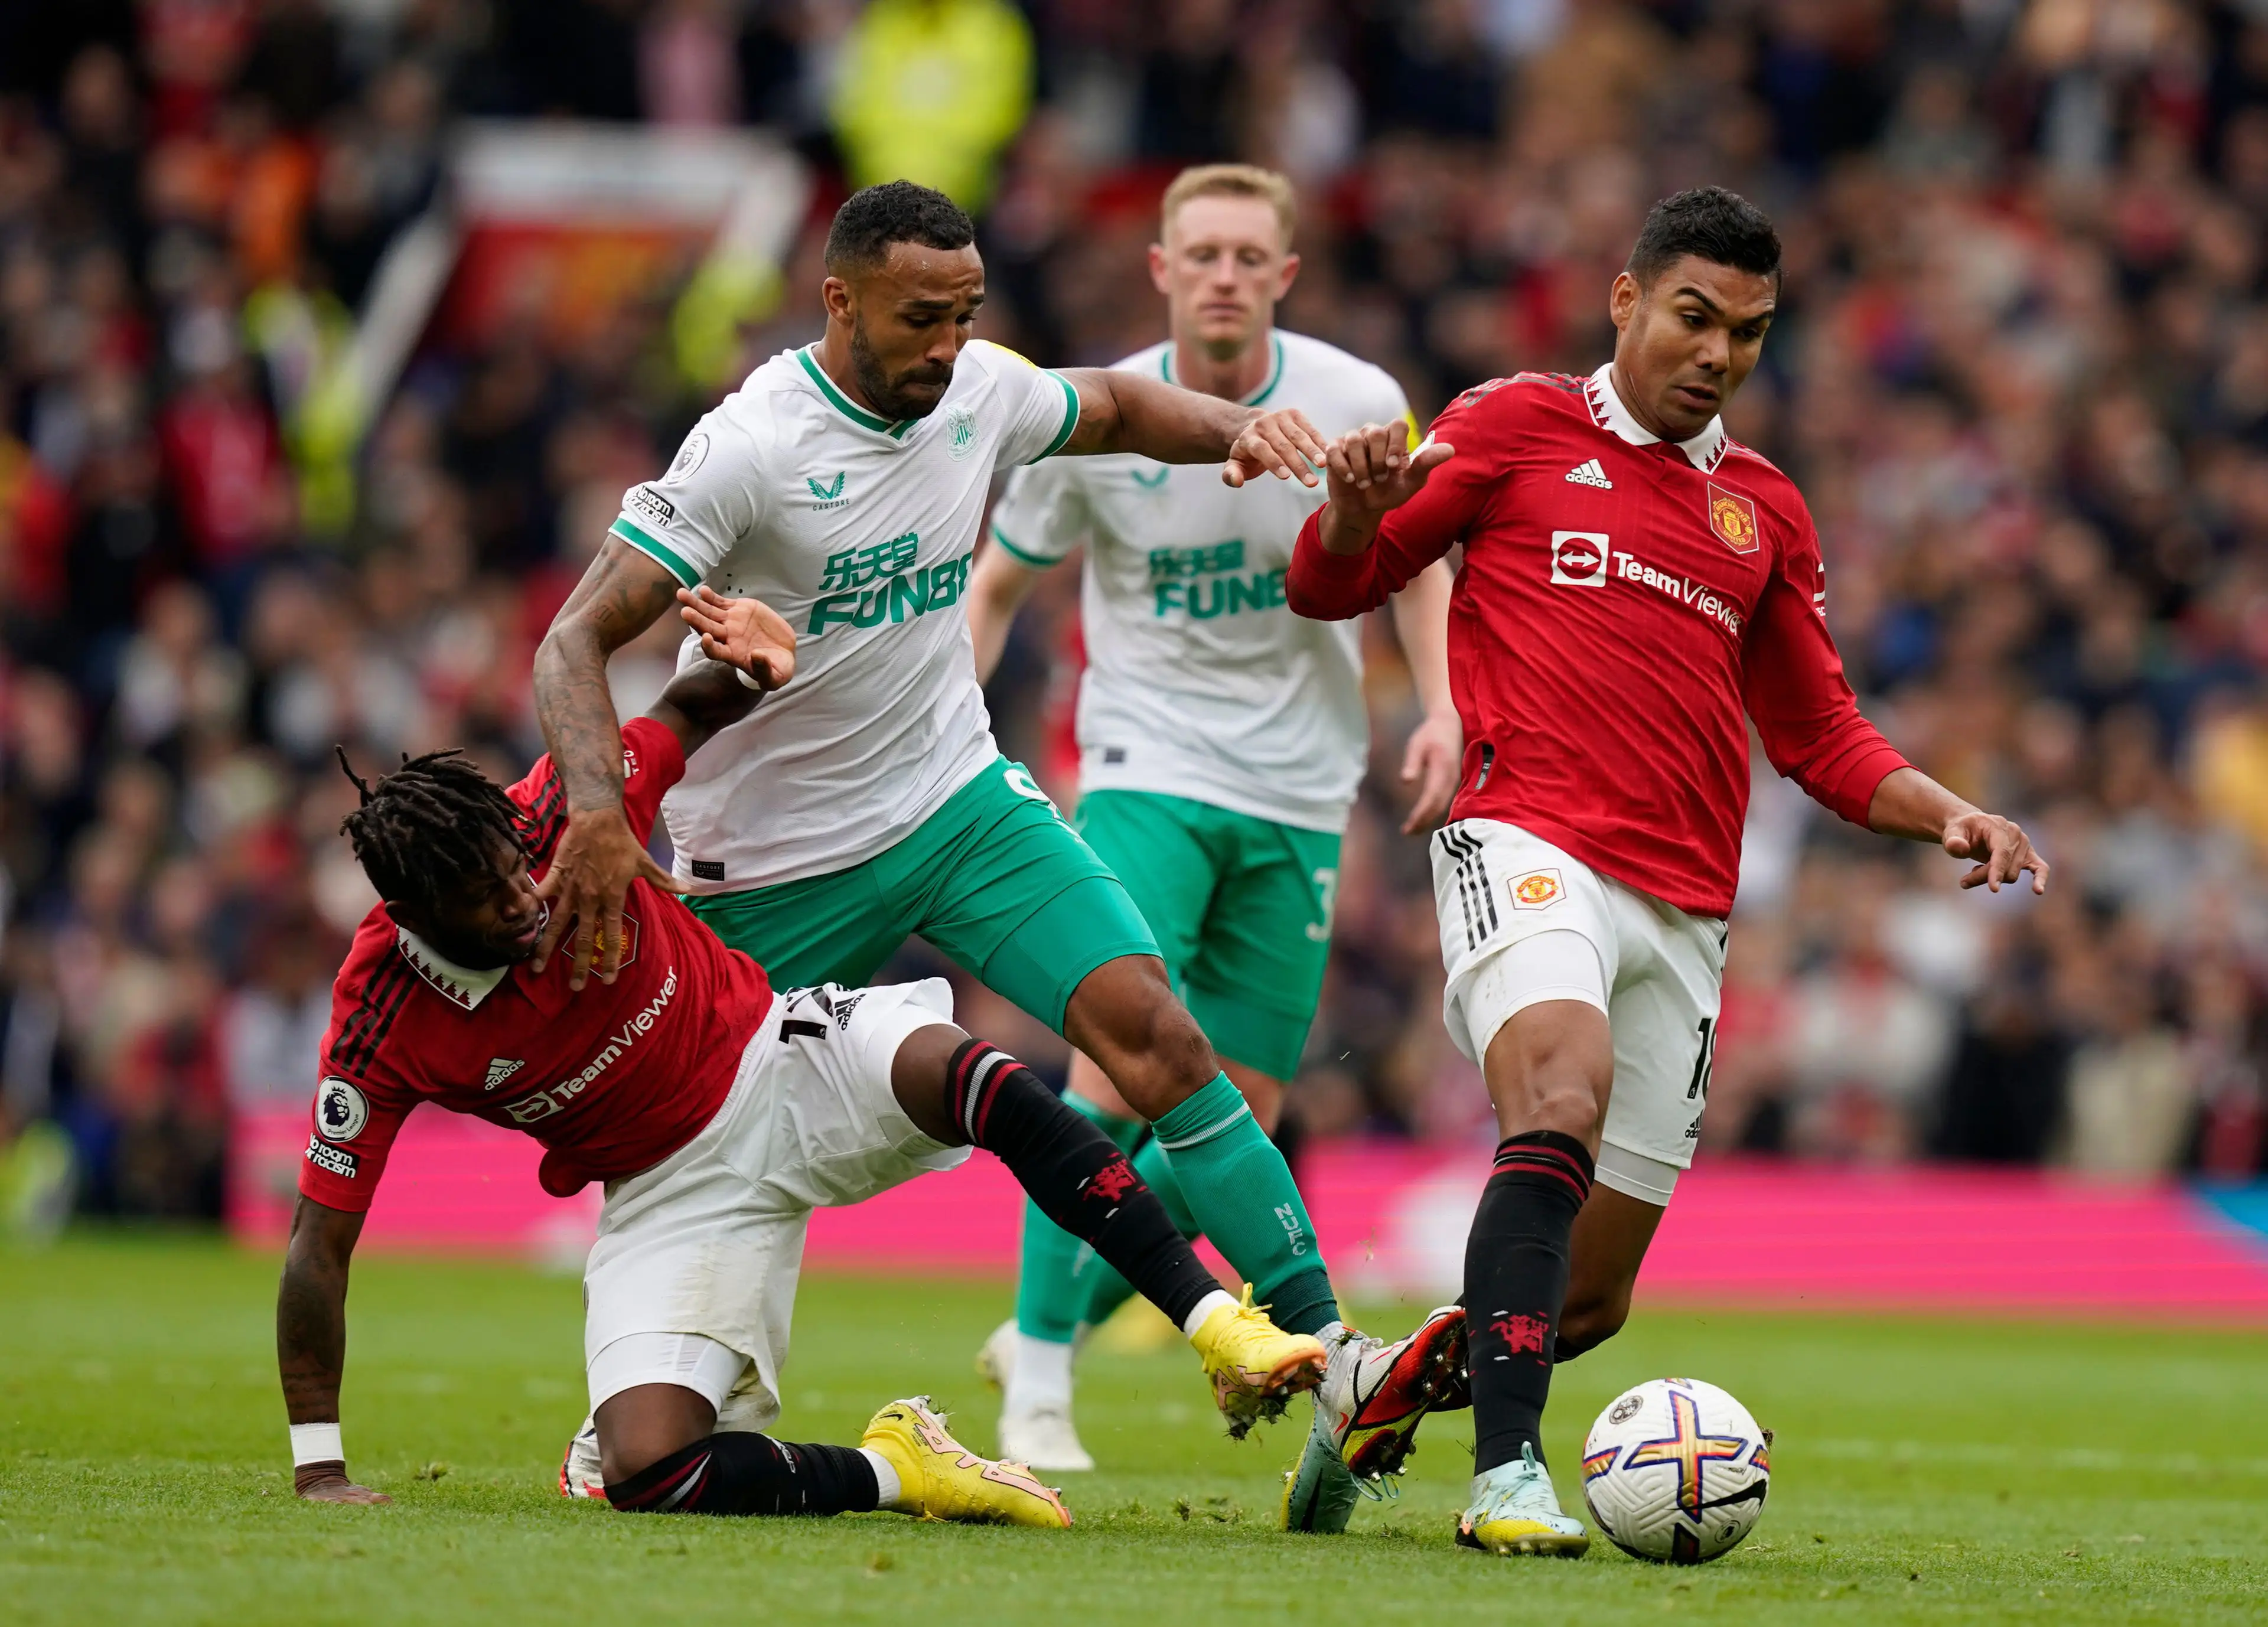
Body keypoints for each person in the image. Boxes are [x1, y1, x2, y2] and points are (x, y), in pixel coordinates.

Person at [532, 180, 1453, 1473]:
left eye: (965, 315)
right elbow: (574, 641)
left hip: (957, 802)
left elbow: (1123, 406)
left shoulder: (977, 389)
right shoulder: (751, 448)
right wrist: (596, 813)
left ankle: (1335, 1359)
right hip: (778, 861)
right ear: (838, 300)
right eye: (920, 318)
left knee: (1156, 1032)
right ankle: (652, 1387)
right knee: (708, 1139)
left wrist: (1239, 433)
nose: (946, 345)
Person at [1285, 187, 2049, 1557]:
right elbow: (1332, 587)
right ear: (1627, 300)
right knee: (1557, 1092)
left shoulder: (1764, 510)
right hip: (1525, 838)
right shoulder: (1511, 423)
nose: (1718, 354)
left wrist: (1946, 811)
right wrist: (1349, 516)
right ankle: (1506, 1478)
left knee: (1585, 1305)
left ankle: (1372, 1390)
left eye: (1749, 334)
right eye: (1695, 317)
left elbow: (1819, 731)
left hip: (1688, 905)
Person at [276, 655, 1325, 1521]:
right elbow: (320, 1245)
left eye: (513, 867)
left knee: (970, 1074)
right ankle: (902, 1465)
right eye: (481, 901)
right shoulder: (380, 1019)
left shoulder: (563, 812)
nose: (522, 900)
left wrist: (757, 655)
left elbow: (685, 711)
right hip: (667, 1187)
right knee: (651, 1472)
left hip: (779, 1056)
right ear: (413, 917)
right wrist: (320, 1464)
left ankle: (1215, 1327)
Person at [963, 162, 1467, 1504]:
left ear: (1287, 276)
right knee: (1116, 1073)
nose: (1229, 274)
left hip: (1303, 788)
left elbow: (1420, 563)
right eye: (1206, 253)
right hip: (1144, 769)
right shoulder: (1107, 409)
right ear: (1164, 269)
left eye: (1254, 254)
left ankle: (1042, 1309)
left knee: (1239, 1114)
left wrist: (1442, 708)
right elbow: (1001, 581)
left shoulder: (1361, 401)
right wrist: (942, 722)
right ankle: (1048, 1367)